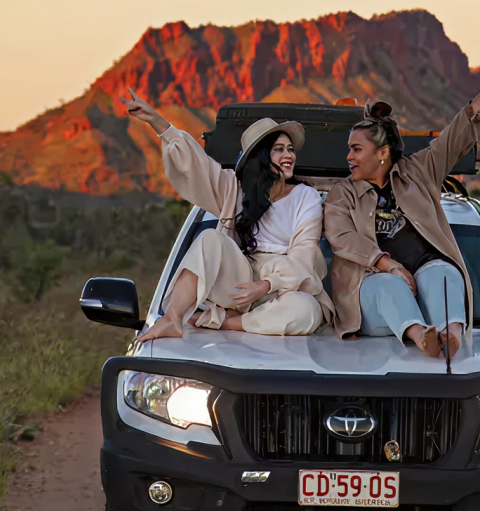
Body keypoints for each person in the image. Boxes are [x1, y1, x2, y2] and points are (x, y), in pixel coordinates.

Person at [323, 49, 480, 358]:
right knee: (391, 286)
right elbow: (341, 237)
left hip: (425, 285)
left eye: (357, 149)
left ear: (382, 152)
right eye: (349, 149)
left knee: (444, 272)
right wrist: (389, 264)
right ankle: (421, 338)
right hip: (371, 294)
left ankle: (449, 335)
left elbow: (455, 136)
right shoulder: (341, 194)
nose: (349, 157)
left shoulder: (419, 172)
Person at [125, 91, 333, 342]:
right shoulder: (235, 190)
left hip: (285, 287)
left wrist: (265, 286)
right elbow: (198, 165)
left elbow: (305, 254)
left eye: (290, 149)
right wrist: (159, 124)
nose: (289, 155)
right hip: (241, 282)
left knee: (307, 310)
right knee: (209, 238)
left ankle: (228, 323)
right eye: (279, 150)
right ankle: (172, 319)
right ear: (262, 157)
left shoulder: (306, 197)